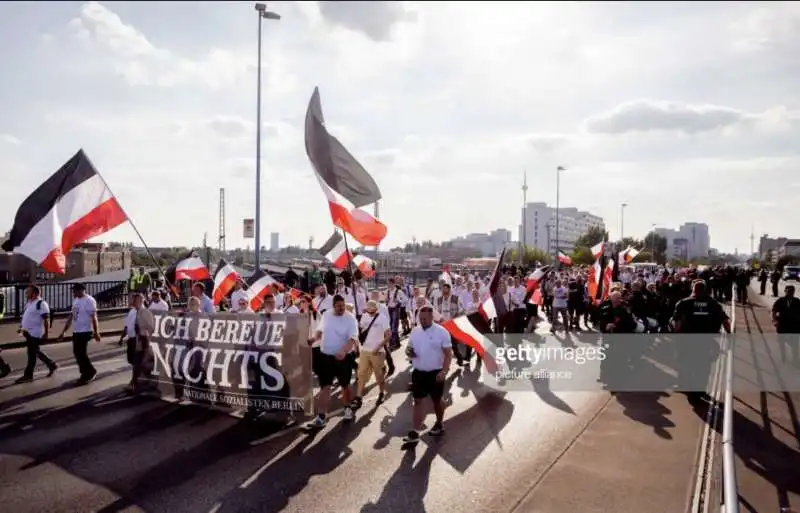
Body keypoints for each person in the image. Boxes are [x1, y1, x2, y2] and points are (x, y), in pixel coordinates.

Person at [672, 280, 731, 404]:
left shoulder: (683, 303)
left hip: (686, 341)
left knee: (684, 364)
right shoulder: (713, 304)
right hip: (706, 341)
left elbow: (677, 324)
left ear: (693, 289)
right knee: (704, 367)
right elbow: (725, 321)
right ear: (705, 290)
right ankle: (700, 390)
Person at [307, 295, 359, 427]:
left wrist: (343, 350)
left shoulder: (350, 318)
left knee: (345, 385)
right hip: (326, 356)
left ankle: (347, 408)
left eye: (343, 305)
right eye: (338, 306)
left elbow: (352, 339)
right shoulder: (326, 316)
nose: (341, 308)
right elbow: (319, 331)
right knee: (325, 386)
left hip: (343, 358)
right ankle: (321, 417)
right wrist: (313, 339)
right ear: (333, 306)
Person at [403, 305, 452, 443]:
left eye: (425, 318)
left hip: (436, 373)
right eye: (420, 318)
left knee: (436, 401)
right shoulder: (415, 331)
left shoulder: (442, 332)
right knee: (417, 401)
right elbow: (409, 348)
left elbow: (448, 355)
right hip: (418, 372)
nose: (422, 321)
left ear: (432, 317)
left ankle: (439, 423)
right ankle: (415, 432)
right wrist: (409, 352)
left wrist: (444, 371)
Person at [58, 283, 102, 385]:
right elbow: (71, 316)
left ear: (82, 290)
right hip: (77, 331)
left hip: (85, 331)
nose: (74, 292)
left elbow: (94, 317)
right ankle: (86, 372)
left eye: (75, 290)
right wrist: (63, 331)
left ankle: (89, 372)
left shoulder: (89, 300)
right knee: (77, 353)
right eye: (73, 290)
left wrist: (96, 332)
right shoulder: (76, 300)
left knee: (81, 353)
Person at [14, 284, 58, 383]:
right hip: (28, 332)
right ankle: (51, 364)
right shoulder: (29, 303)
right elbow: (27, 316)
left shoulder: (41, 304)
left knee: (31, 354)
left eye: (28, 291)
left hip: (35, 333)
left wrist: (46, 333)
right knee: (35, 351)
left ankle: (28, 375)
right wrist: (22, 327)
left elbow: (46, 319)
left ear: (35, 293)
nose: (26, 293)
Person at [352, 300, 391, 407]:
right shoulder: (364, 316)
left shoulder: (382, 318)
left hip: (377, 352)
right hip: (365, 350)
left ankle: (381, 393)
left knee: (379, 375)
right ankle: (358, 397)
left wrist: (379, 346)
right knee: (361, 374)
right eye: (368, 308)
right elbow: (359, 330)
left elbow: (388, 335)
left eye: (371, 308)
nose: (369, 310)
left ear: (376, 308)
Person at [772, 284, 800, 366]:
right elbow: (774, 310)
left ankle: (795, 359)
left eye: (791, 291)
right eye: (787, 291)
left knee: (795, 344)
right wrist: (775, 320)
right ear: (785, 292)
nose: (789, 293)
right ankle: (783, 356)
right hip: (783, 325)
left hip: (794, 326)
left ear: (793, 292)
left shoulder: (797, 301)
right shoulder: (781, 300)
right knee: (781, 342)